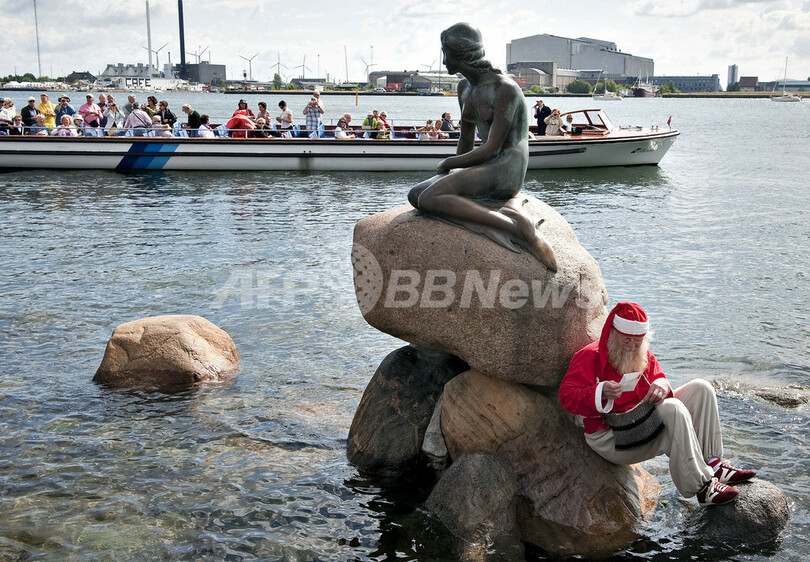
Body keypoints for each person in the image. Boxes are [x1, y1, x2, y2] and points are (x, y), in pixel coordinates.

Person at [559, 302, 757, 507]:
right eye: (626, 339)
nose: (631, 346)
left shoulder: (642, 354)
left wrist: (662, 384)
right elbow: (566, 396)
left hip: (639, 422)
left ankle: (714, 463)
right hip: (611, 437)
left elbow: (659, 378)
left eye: (637, 340)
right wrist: (599, 392)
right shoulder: (589, 356)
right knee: (673, 409)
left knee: (702, 388)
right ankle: (703, 489)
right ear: (613, 332)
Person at [407, 23, 556, 272]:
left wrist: (449, 164)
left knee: (430, 197)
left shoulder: (504, 89)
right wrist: (455, 175)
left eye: (446, 53)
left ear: (463, 53)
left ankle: (520, 229)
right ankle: (494, 216)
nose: (443, 61)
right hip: (485, 163)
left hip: (507, 166)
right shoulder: (464, 88)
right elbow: (466, 141)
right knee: (416, 195)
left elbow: (494, 148)